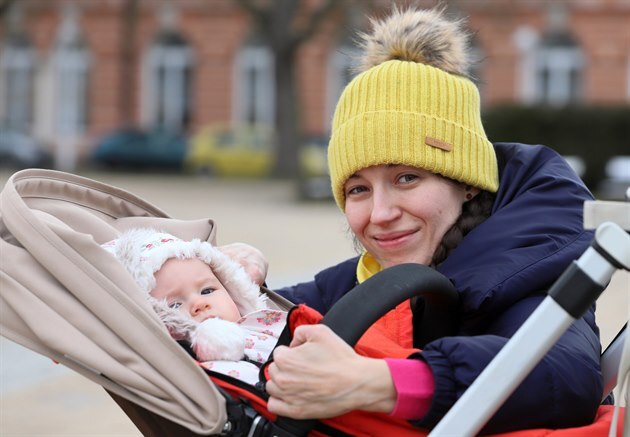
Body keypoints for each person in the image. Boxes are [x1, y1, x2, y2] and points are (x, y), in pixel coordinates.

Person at [235, 6, 603, 434]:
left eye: (406, 178)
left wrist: (374, 382)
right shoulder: (374, 277)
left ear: (466, 182)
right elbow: (282, 306)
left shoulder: (523, 263)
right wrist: (232, 279)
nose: (381, 214)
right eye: (358, 189)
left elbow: (565, 376)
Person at [102, 228, 287, 384]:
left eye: (207, 291)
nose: (199, 304)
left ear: (232, 290)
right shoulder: (198, 375)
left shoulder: (268, 325)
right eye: (174, 305)